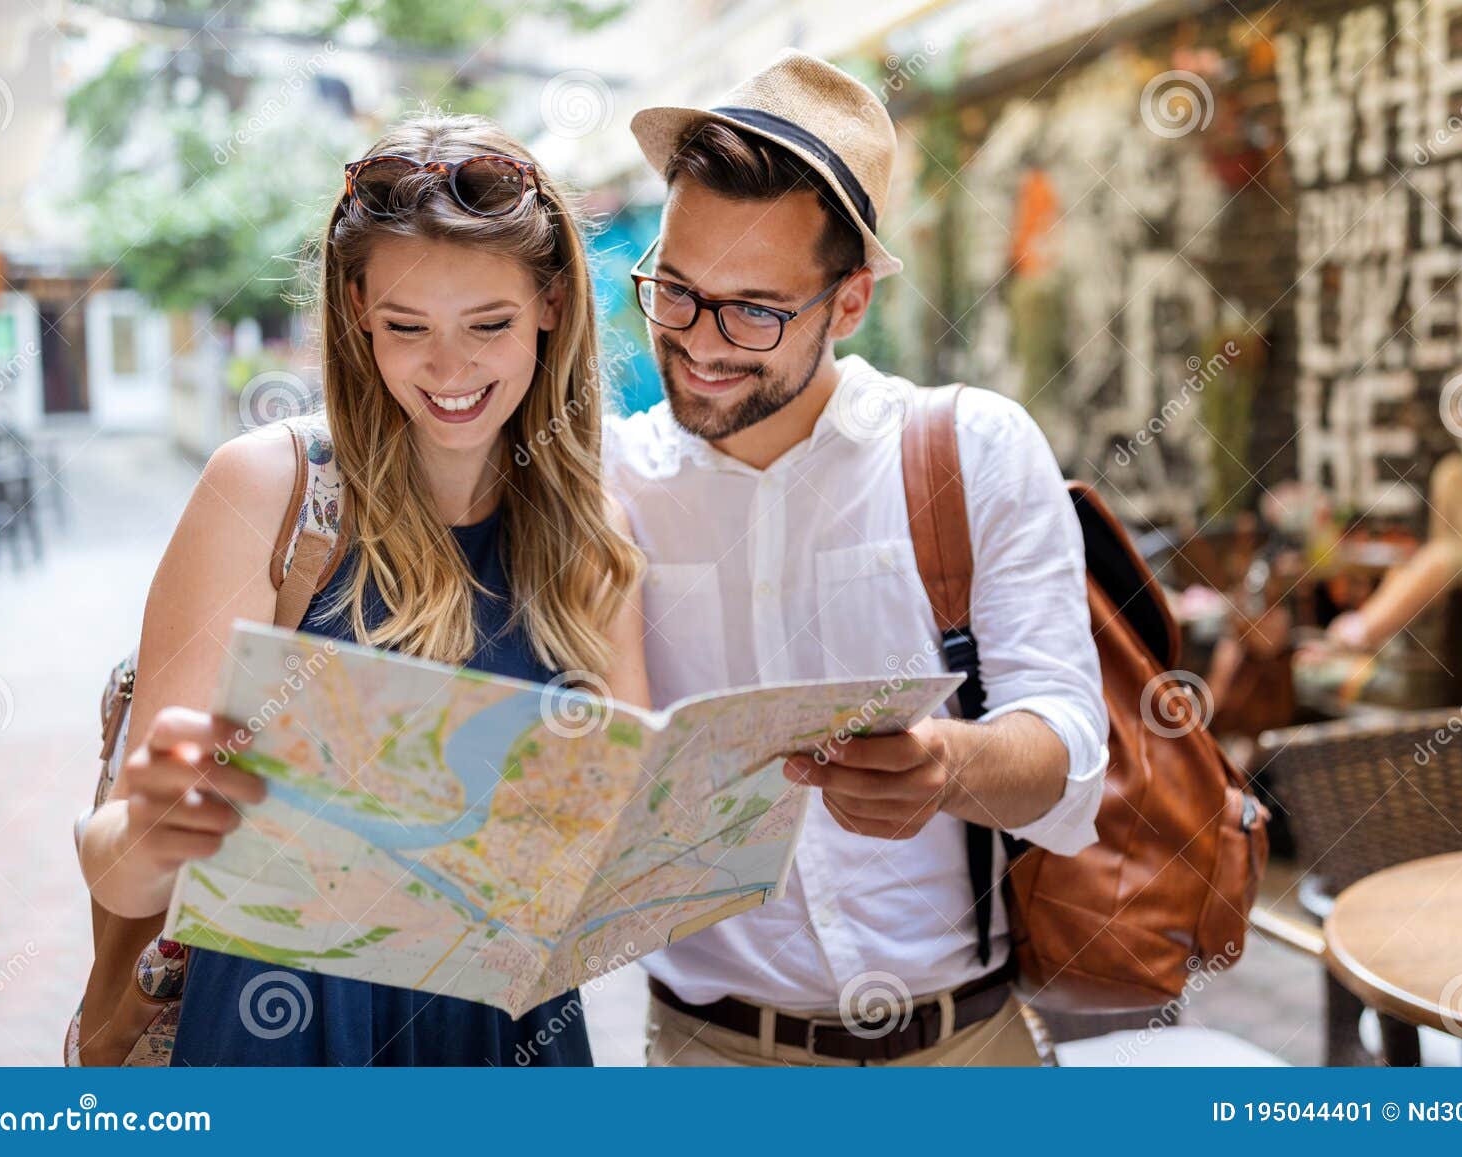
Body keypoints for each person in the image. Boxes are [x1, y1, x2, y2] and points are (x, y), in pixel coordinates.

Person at [76, 113, 649, 1065]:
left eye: (490, 325)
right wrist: (154, 821)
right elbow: (119, 871)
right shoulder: (266, 491)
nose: (451, 368)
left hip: (505, 1032)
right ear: (354, 311)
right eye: (407, 326)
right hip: (284, 1032)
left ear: (552, 302)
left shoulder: (592, 535)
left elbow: (618, 856)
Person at [604, 50, 1109, 1067]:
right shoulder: (607, 482)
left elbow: (1068, 752)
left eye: (755, 308)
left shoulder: (967, 448)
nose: (699, 342)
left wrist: (948, 762)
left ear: (848, 303)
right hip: (703, 1055)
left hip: (963, 1050)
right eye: (674, 289)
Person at [1296, 443, 1462, 707]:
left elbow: (1360, 633)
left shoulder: (1440, 562)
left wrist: (1329, 638)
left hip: (1422, 698)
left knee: (1299, 673)